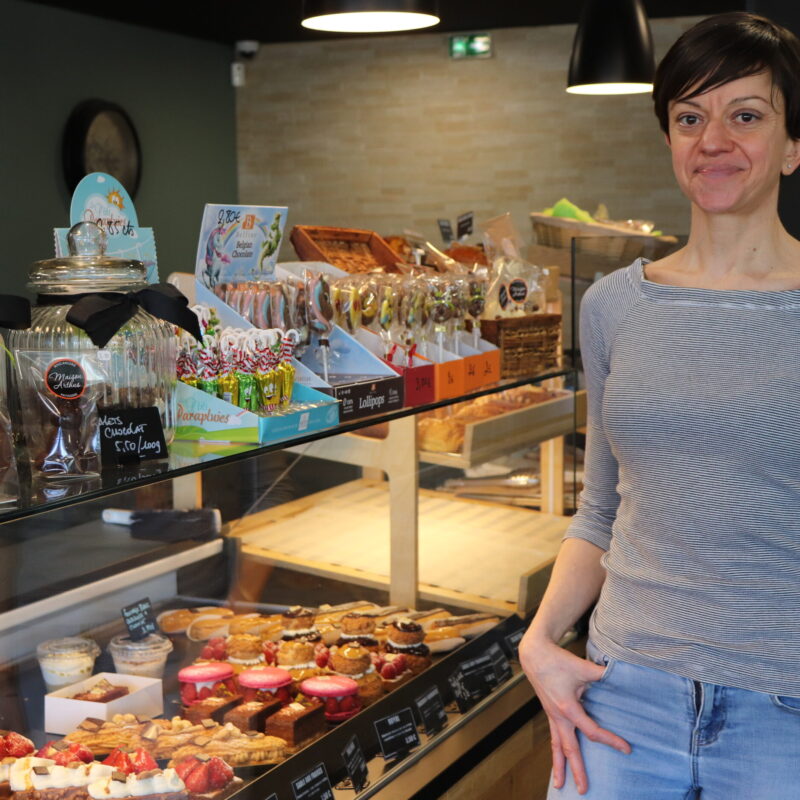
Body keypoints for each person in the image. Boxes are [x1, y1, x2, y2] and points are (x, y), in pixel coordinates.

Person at [519, 12, 800, 799]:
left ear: (792, 145)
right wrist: (540, 641)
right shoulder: (614, 305)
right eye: (689, 117)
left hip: (783, 710)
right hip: (620, 696)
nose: (713, 139)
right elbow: (602, 508)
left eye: (746, 115)